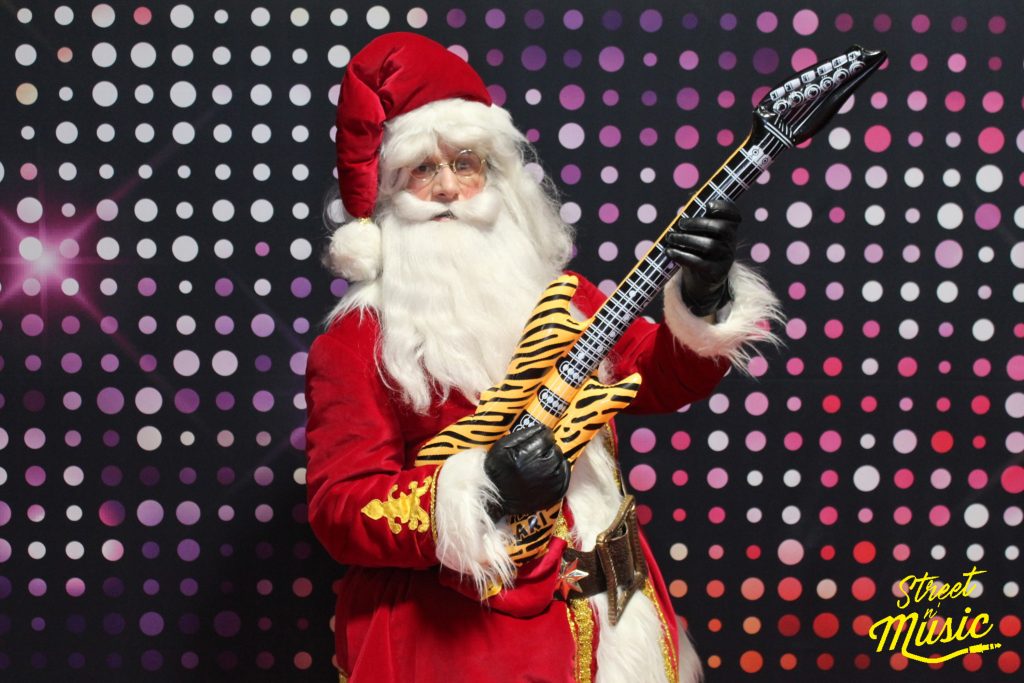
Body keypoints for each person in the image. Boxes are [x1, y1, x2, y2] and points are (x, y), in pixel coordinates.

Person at [306, 33, 781, 683]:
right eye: (423, 169)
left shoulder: (562, 296)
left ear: (494, 174)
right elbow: (341, 507)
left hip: (622, 612)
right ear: (390, 195)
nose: (448, 187)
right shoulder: (358, 339)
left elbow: (660, 376)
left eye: (465, 162)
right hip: (469, 645)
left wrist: (703, 299)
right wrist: (482, 487)